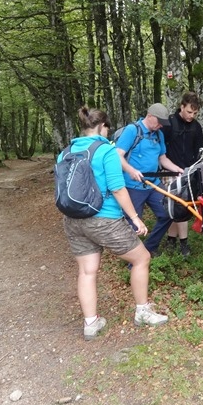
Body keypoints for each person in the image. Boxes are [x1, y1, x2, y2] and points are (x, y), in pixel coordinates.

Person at [60, 106, 168, 341]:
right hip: (104, 219)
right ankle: (142, 312)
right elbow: (118, 188)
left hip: (73, 219)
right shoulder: (105, 150)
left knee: (87, 271)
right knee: (142, 258)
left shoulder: (66, 151)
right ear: (103, 127)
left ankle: (90, 323)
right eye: (108, 128)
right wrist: (135, 218)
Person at [115, 103, 184, 257]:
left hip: (153, 184)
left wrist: (178, 170)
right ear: (150, 116)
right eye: (159, 122)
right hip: (133, 185)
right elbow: (117, 155)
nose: (160, 126)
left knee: (168, 213)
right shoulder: (132, 130)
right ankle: (133, 259)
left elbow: (163, 158)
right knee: (134, 224)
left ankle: (148, 248)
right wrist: (131, 170)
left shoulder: (158, 134)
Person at [162, 92, 203, 257]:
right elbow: (161, 149)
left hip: (188, 172)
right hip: (169, 171)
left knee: (182, 206)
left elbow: (199, 150)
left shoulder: (196, 127)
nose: (191, 116)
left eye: (195, 113)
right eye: (189, 112)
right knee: (175, 207)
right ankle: (180, 243)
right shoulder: (170, 124)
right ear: (182, 106)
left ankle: (175, 241)